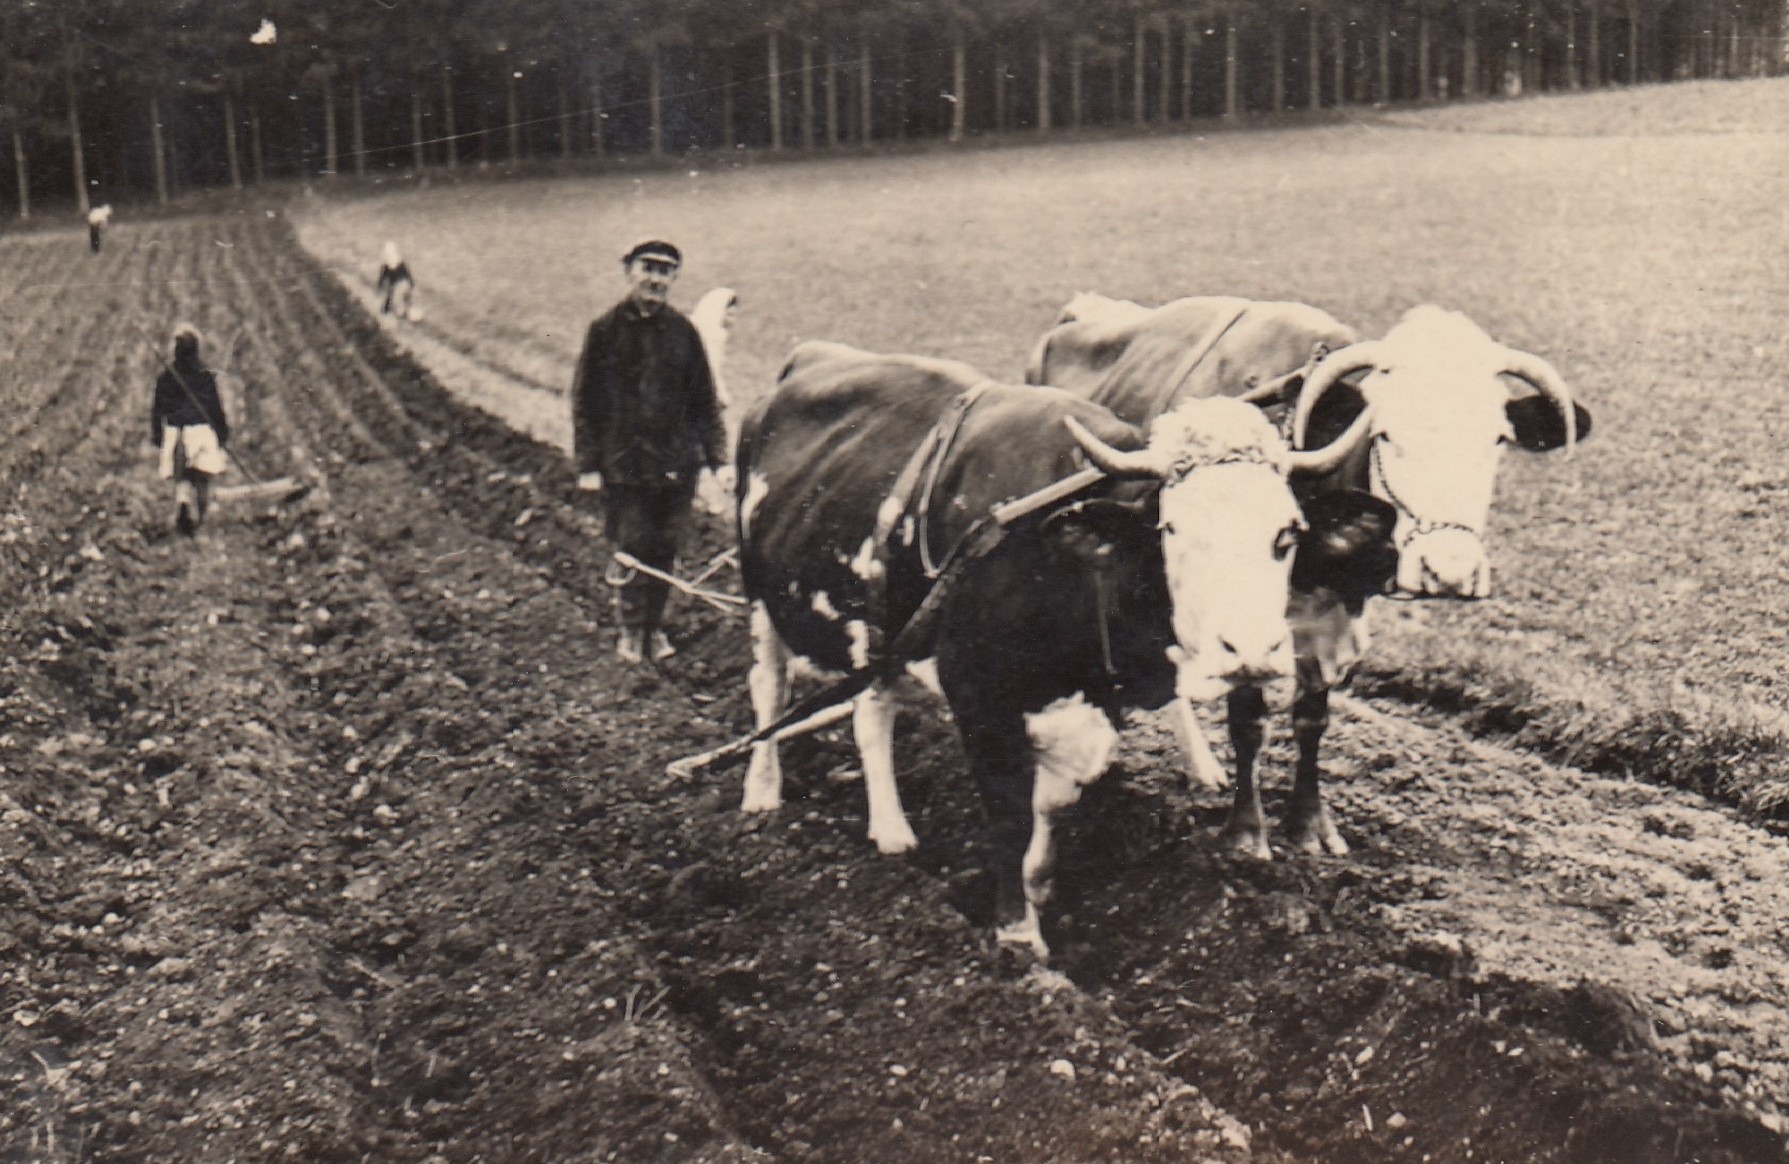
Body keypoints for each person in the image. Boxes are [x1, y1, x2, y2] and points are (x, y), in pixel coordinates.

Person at [571, 239, 730, 665]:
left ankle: (654, 628)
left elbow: (704, 402)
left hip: (676, 466)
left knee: (665, 548)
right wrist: (588, 465)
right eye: (648, 268)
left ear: (674, 278)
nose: (655, 278)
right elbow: (584, 401)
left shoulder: (684, 333)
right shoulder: (604, 330)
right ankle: (630, 629)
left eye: (665, 271)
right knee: (631, 545)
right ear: (629, 272)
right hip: (623, 464)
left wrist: (719, 461)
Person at [150, 324, 231, 536]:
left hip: (177, 432)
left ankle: (183, 503)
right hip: (202, 431)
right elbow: (215, 407)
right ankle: (201, 520)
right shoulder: (204, 375)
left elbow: (158, 409)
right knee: (203, 477)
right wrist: (222, 432)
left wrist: (158, 434)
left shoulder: (166, 377)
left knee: (182, 476)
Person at [376, 241, 416, 318]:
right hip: (405, 284)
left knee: (397, 300)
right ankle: (407, 311)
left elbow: (383, 279)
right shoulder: (400, 263)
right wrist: (411, 284)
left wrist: (379, 285)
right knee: (404, 299)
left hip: (400, 284)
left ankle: (402, 313)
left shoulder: (387, 266)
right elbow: (408, 275)